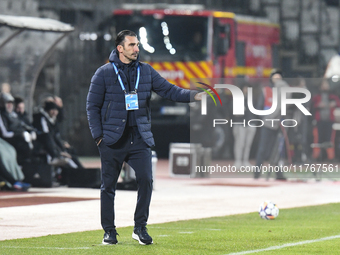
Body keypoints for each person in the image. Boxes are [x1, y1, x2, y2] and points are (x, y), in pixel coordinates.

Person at [86, 30, 204, 245]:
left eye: (137, 44)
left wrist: (194, 95)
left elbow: (170, 91)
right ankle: (109, 231)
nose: (136, 49)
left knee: (146, 181)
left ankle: (140, 227)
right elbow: (92, 107)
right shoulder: (103, 73)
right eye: (131, 45)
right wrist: (98, 137)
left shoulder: (146, 71)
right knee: (108, 187)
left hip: (139, 137)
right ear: (120, 48)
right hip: (112, 139)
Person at [254, 69, 288, 180]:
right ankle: (257, 174)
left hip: (278, 124)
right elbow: (259, 107)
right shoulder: (266, 91)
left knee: (276, 150)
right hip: (267, 124)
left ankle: (279, 174)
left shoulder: (282, 91)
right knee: (263, 149)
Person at [0, 93, 35, 164]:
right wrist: (20, 134)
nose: (9, 106)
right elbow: (5, 133)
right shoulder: (2, 116)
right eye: (7, 103)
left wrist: (31, 132)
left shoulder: (14, 115)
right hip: (8, 143)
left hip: (21, 142)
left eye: (11, 103)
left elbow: (23, 125)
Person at [311, 79, 340, 161]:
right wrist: (318, 105)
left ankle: (331, 158)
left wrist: (334, 103)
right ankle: (316, 157)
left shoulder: (332, 96)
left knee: (329, 139)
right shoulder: (317, 96)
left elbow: (338, 102)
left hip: (329, 121)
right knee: (318, 139)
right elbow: (312, 105)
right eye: (324, 84)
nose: (325, 86)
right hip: (319, 121)